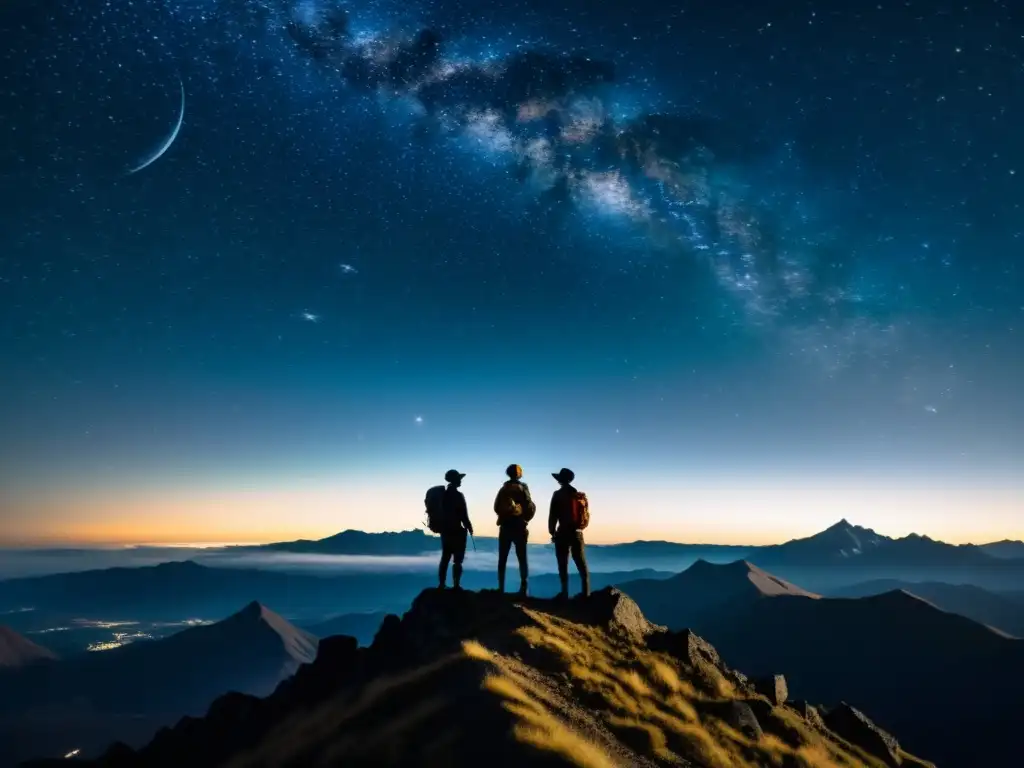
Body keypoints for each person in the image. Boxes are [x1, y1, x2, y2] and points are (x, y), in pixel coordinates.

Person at [493, 463, 535, 595]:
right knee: (522, 558)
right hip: (519, 526)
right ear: (519, 474)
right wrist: (525, 519)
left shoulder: (503, 488)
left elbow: (496, 507)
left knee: (502, 558)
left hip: (505, 526)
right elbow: (529, 505)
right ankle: (524, 588)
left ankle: (501, 588)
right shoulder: (523, 488)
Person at [548, 467, 590, 599]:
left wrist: (552, 532)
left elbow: (553, 516)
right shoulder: (578, 495)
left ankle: (564, 592)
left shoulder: (557, 495)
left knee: (562, 563)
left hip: (563, 533)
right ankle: (586, 593)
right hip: (577, 533)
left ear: (560, 480)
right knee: (581, 563)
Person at [437, 469, 473, 590]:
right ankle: (456, 585)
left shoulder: (443, 495)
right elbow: (463, 514)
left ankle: (442, 584)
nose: (461, 481)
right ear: (455, 480)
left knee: (445, 558)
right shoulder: (458, 496)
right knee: (457, 560)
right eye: (459, 479)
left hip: (445, 531)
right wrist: (469, 526)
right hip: (457, 531)